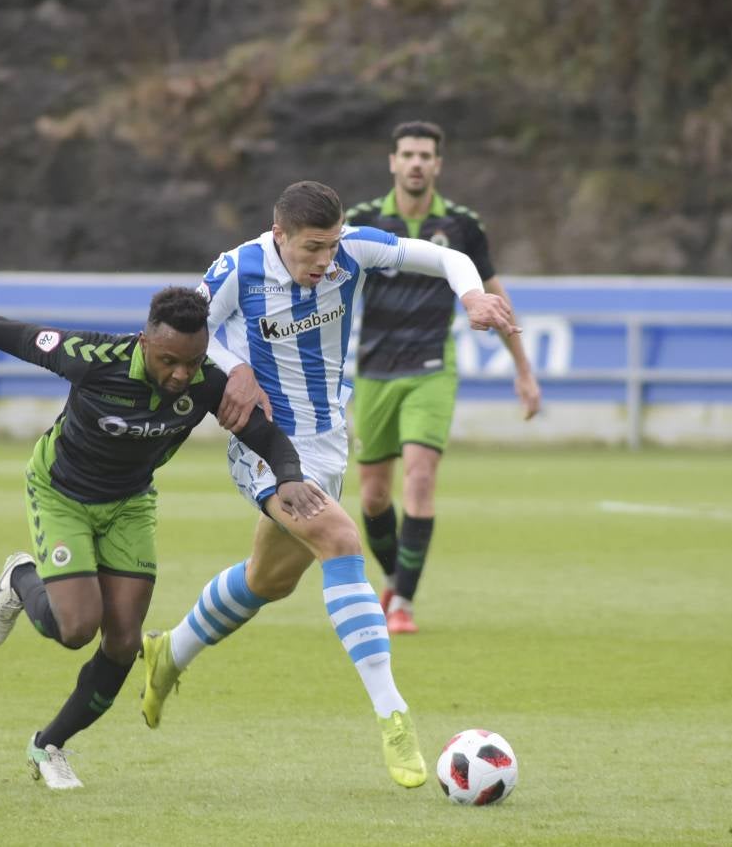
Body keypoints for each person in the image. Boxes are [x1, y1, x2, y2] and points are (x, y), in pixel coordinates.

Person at [0, 285, 325, 791]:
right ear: (144, 342)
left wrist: (288, 475)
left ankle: (48, 745)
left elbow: (265, 434)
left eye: (192, 361)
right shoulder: (91, 357)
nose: (181, 374)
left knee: (122, 642)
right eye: (169, 361)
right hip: (62, 493)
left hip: (130, 504)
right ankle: (20, 577)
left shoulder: (207, 383)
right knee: (76, 629)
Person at [138, 180, 519, 789]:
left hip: (328, 443)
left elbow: (448, 257)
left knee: (268, 581)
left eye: (332, 245)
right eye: (313, 248)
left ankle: (169, 653)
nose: (325, 260)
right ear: (280, 233)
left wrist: (471, 298)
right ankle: (394, 715)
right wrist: (233, 369)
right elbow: (173, 334)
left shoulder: (354, 251)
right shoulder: (238, 268)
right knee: (342, 541)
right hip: (265, 445)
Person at [345, 120, 542, 634]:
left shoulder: (461, 224)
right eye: (407, 153)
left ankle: (403, 603)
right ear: (392, 162)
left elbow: (493, 294)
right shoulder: (363, 221)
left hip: (432, 365)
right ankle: (395, 577)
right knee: (372, 497)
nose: (415, 162)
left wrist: (523, 369)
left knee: (421, 477)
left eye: (425, 155)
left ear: (438, 165)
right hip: (374, 370)